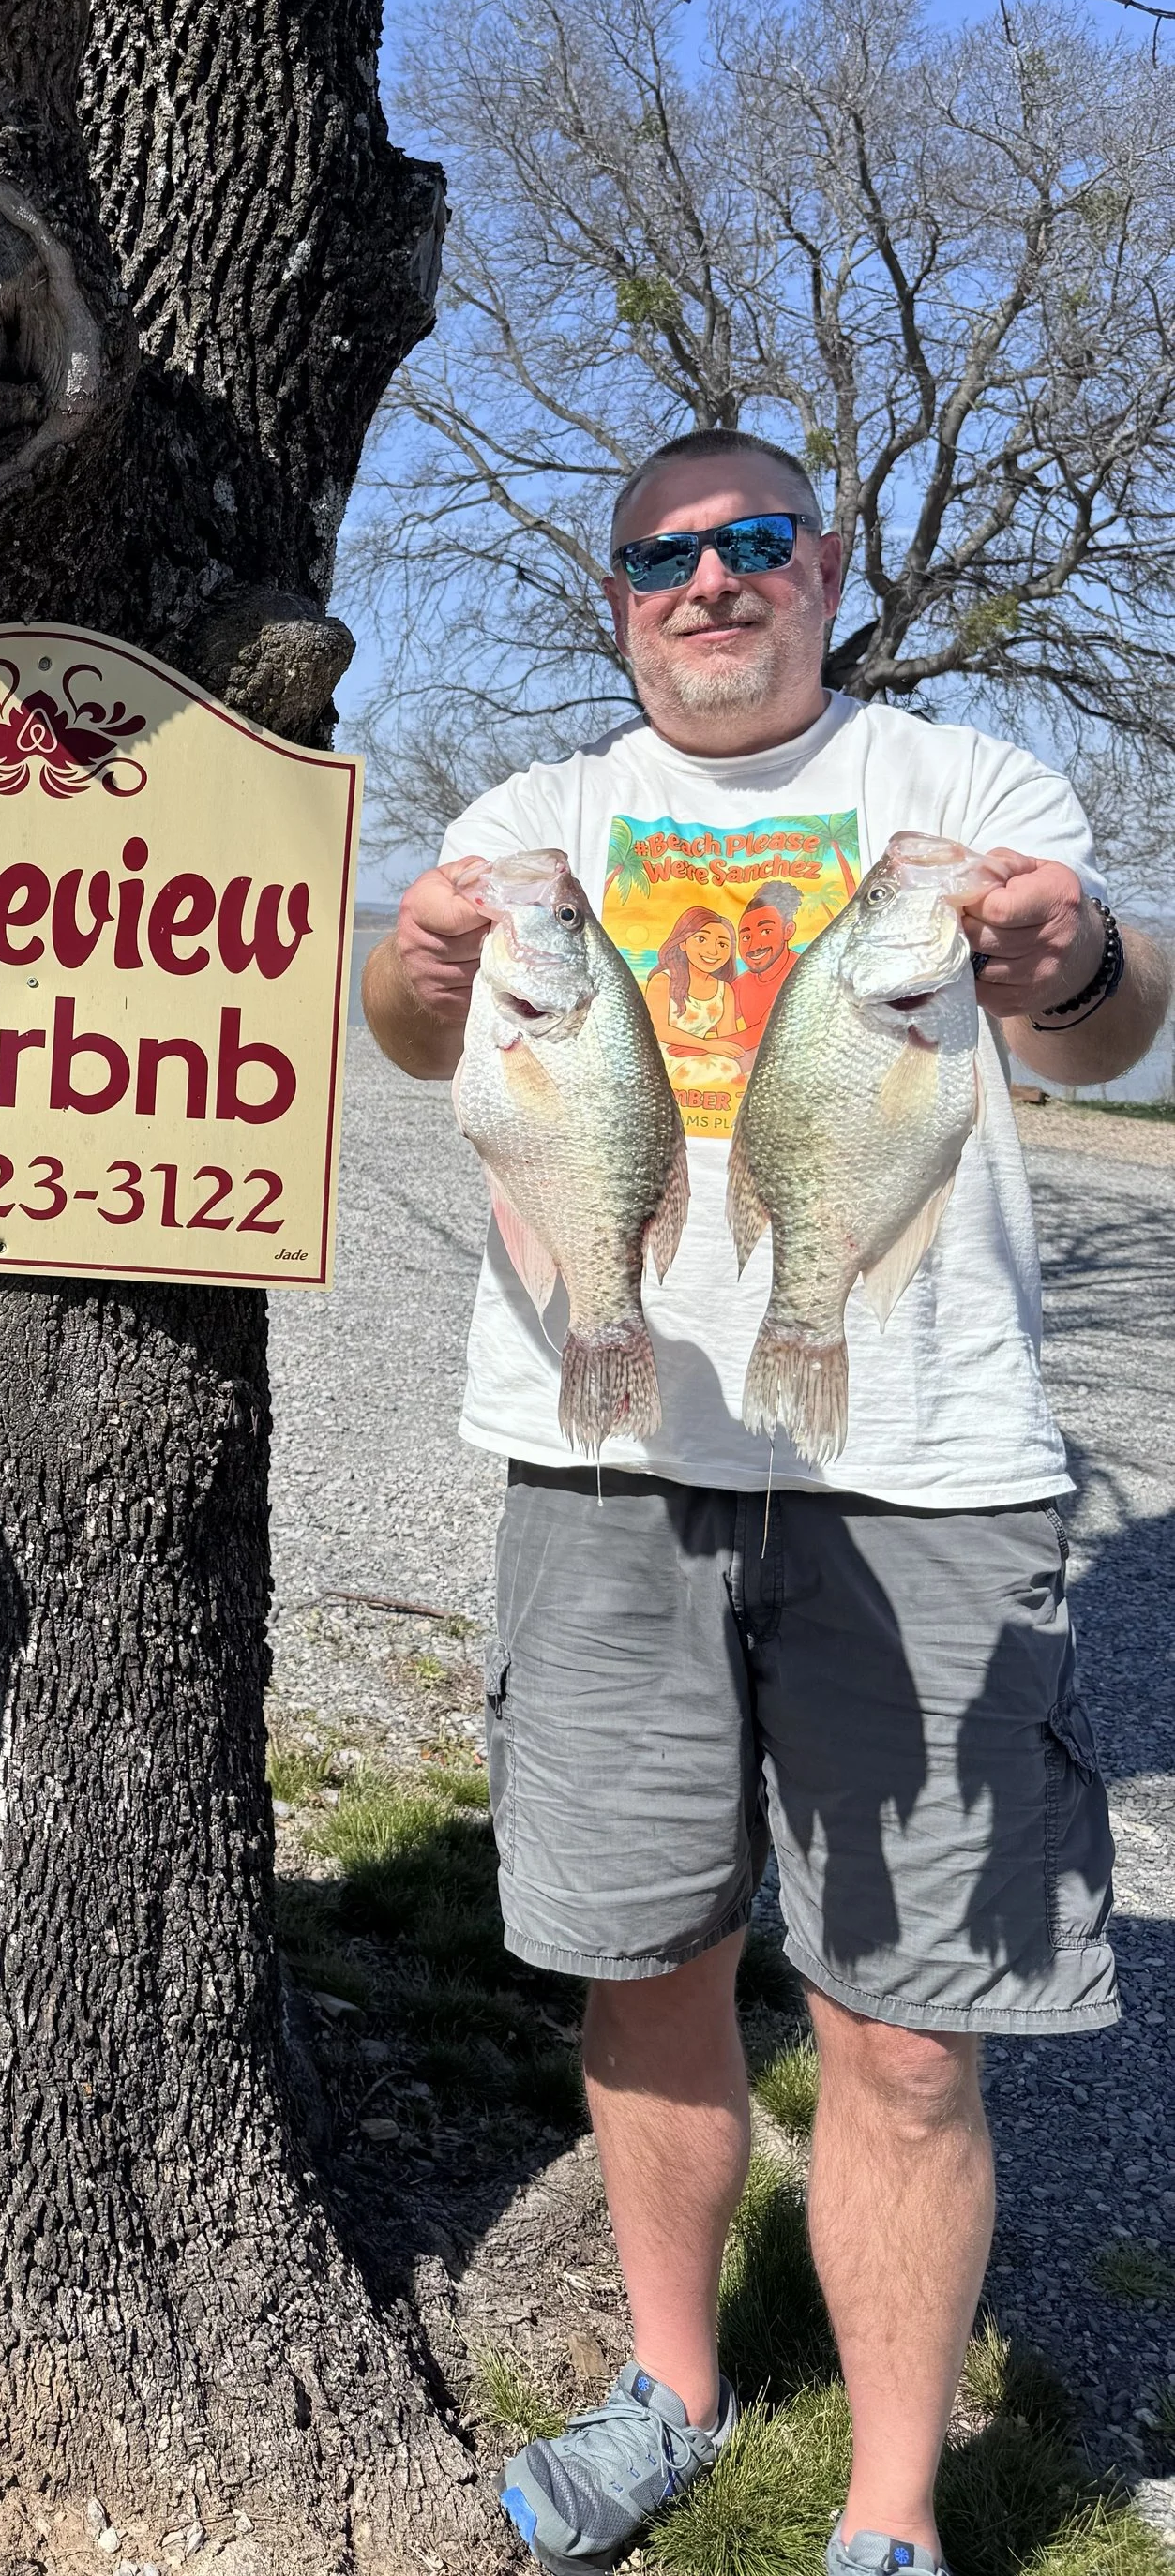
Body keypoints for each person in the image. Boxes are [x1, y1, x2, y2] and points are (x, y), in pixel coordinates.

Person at [364, 427, 1167, 2576]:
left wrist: (1071, 954)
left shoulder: (964, 797)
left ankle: (890, 2515)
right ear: (615, 595)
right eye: (663, 560)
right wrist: (427, 958)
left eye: (751, 548)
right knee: (647, 1967)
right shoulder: (541, 823)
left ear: (823, 568)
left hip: (927, 1476)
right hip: (603, 1452)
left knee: (901, 2039)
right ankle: (674, 2390)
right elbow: (403, 1023)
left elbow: (1099, 1034)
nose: (709, 585)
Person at [643, 904, 744, 1056]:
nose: (713, 951)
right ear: (683, 943)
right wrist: (707, 1046)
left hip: (701, 1056)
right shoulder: (663, 981)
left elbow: (728, 1037)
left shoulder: (724, 990)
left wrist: (705, 1049)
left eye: (722, 944)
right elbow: (658, 1029)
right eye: (701, 939)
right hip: (662, 1058)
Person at [727, 880, 805, 1037]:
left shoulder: (803, 973)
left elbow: (765, 1033)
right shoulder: (740, 986)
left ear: (788, 931)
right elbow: (712, 1022)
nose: (754, 946)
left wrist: (702, 1046)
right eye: (746, 936)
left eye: (765, 931)